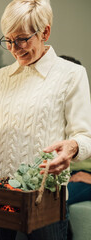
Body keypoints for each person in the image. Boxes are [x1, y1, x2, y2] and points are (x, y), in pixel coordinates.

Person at [0, 0, 91, 239]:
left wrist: (72, 147)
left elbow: (85, 136)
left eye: (22, 39)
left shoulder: (72, 75)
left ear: (45, 32)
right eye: (8, 40)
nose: (14, 49)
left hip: (45, 197)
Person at [58, 55, 91, 206]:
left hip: (82, 175)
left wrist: (88, 177)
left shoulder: (86, 112)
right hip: (60, 175)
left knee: (55, 203)